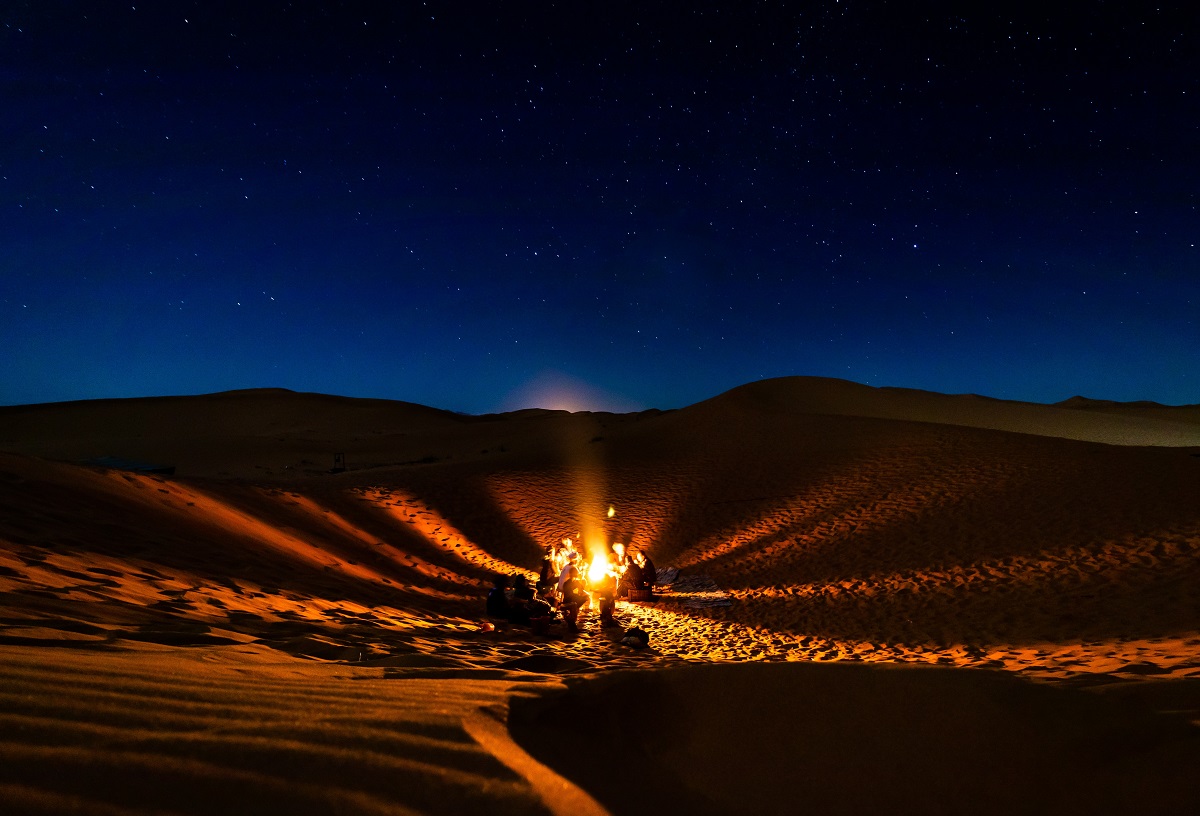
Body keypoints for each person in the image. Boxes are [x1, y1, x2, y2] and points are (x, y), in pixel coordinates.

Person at [559, 568, 589, 633]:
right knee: (585, 597)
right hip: (570, 600)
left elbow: (581, 589)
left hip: (567, 600)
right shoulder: (572, 582)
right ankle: (574, 614)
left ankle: (574, 613)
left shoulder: (568, 582)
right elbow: (574, 593)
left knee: (580, 599)